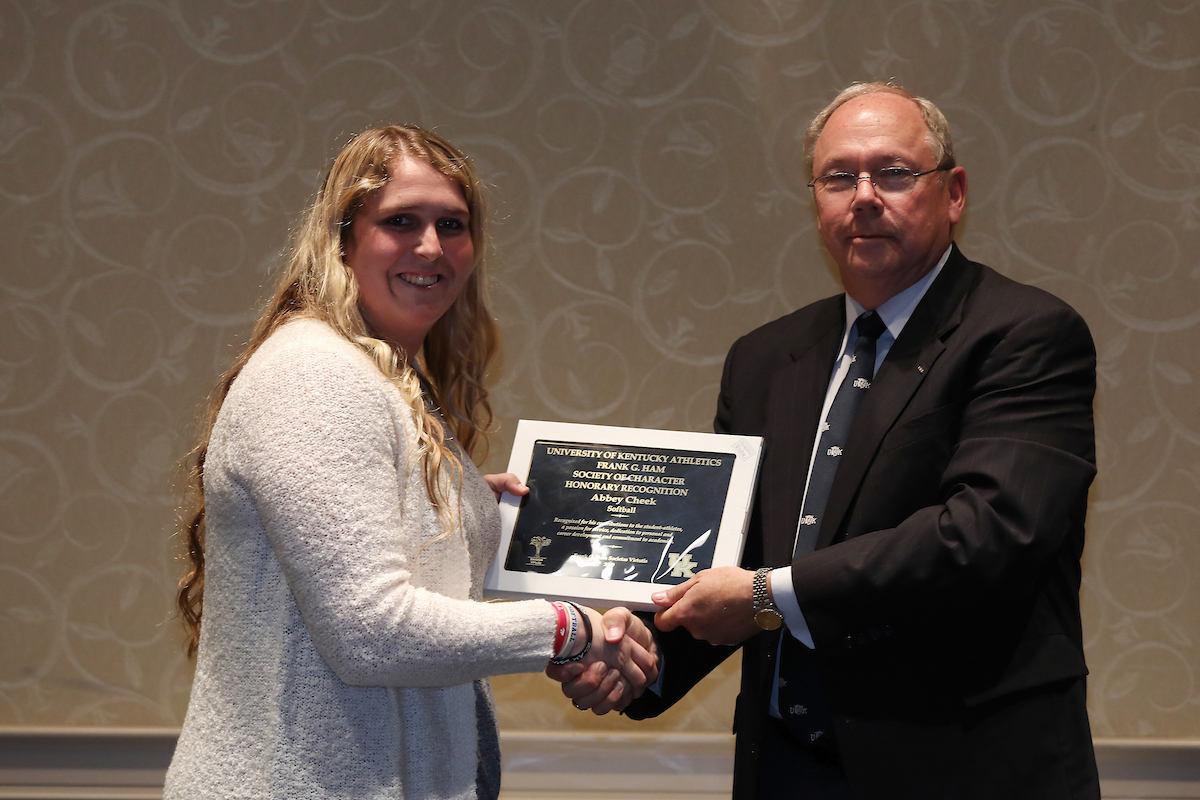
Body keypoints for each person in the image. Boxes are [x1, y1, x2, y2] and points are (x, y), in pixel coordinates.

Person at [554, 83, 1100, 799]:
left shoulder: (1025, 335)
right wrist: (639, 657)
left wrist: (762, 597)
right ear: (816, 200)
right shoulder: (765, 357)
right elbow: (736, 557)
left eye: (894, 173)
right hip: (786, 769)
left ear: (954, 192)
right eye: (839, 177)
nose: (864, 196)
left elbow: (988, 535)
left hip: (965, 767)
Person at [165, 124, 657, 800]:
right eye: (401, 222)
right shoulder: (314, 373)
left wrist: (470, 516)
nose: (431, 247)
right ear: (343, 240)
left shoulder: (387, 378)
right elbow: (372, 632)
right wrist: (570, 628)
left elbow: (400, 577)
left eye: (452, 224)